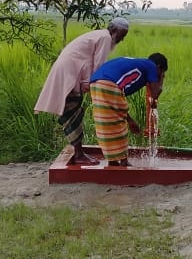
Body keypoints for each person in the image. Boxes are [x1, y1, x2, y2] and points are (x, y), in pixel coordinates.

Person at [34, 18, 130, 165]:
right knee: (73, 113)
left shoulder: (99, 35)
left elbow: (88, 62)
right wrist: (99, 89)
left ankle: (79, 153)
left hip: (68, 72)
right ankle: (79, 155)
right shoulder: (105, 38)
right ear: (114, 31)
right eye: (122, 35)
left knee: (74, 111)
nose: (122, 39)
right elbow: (99, 67)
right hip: (69, 73)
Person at [89, 52, 167, 168]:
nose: (159, 75)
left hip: (96, 82)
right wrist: (161, 79)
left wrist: (129, 120)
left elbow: (119, 107)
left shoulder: (139, 64)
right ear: (159, 67)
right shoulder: (151, 65)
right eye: (162, 72)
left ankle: (113, 162)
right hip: (109, 83)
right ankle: (123, 162)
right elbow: (155, 94)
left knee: (107, 123)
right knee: (119, 125)